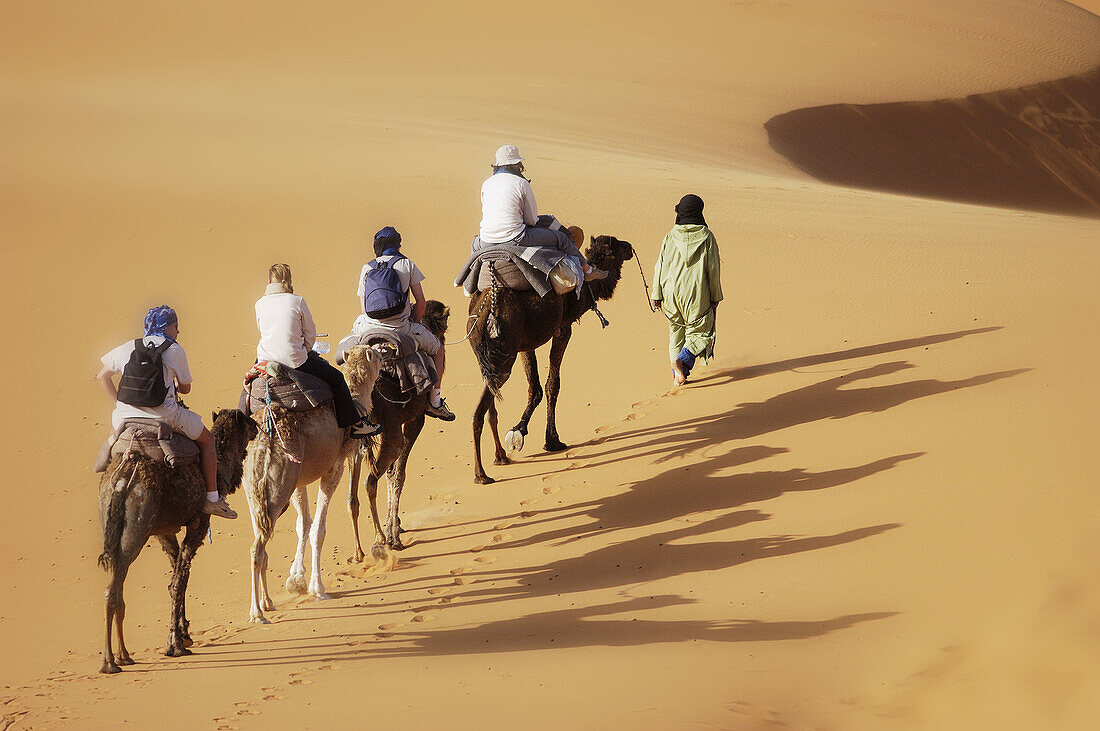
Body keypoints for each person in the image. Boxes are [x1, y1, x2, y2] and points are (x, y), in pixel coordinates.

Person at [97, 305, 237, 518]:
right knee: (208, 441)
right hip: (165, 416)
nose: (178, 332)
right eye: (175, 326)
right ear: (166, 326)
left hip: (124, 417)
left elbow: (102, 377)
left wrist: (119, 403)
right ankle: (212, 499)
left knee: (115, 438)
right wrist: (177, 386)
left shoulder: (128, 347)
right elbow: (186, 389)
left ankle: (105, 463)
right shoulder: (174, 350)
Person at [256, 264, 381, 438]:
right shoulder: (296, 301)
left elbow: (264, 330)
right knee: (337, 379)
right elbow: (310, 333)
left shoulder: (259, 304)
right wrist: (304, 350)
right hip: (295, 360)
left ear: (269, 281)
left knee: (248, 388)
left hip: (264, 360)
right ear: (289, 280)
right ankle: (357, 425)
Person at [353, 227, 455, 421]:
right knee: (438, 350)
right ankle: (435, 402)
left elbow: (365, 309)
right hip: (402, 328)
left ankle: (353, 403)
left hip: (369, 327)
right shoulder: (407, 264)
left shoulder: (366, 268)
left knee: (350, 349)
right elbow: (422, 303)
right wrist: (414, 323)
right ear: (397, 245)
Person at [478, 144, 607, 283]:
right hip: (516, 237)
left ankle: (466, 284)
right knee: (560, 239)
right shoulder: (521, 183)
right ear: (518, 164)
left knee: (475, 246)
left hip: (486, 240)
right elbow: (532, 220)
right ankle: (588, 270)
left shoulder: (486, 183)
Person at [651, 194, 724, 385]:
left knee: (676, 333)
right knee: (701, 333)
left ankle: (677, 377)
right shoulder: (707, 237)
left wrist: (656, 294)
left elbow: (660, 266)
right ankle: (682, 362)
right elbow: (713, 269)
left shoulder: (670, 236)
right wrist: (716, 296)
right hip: (696, 291)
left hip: (670, 292)